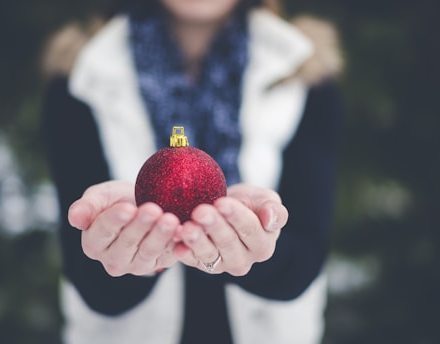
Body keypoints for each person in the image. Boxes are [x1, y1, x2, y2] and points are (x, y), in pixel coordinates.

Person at [41, 0, 343, 343]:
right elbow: (90, 281)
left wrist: (257, 250)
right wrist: (132, 255)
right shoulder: (81, 75)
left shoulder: (305, 70)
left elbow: (306, 254)